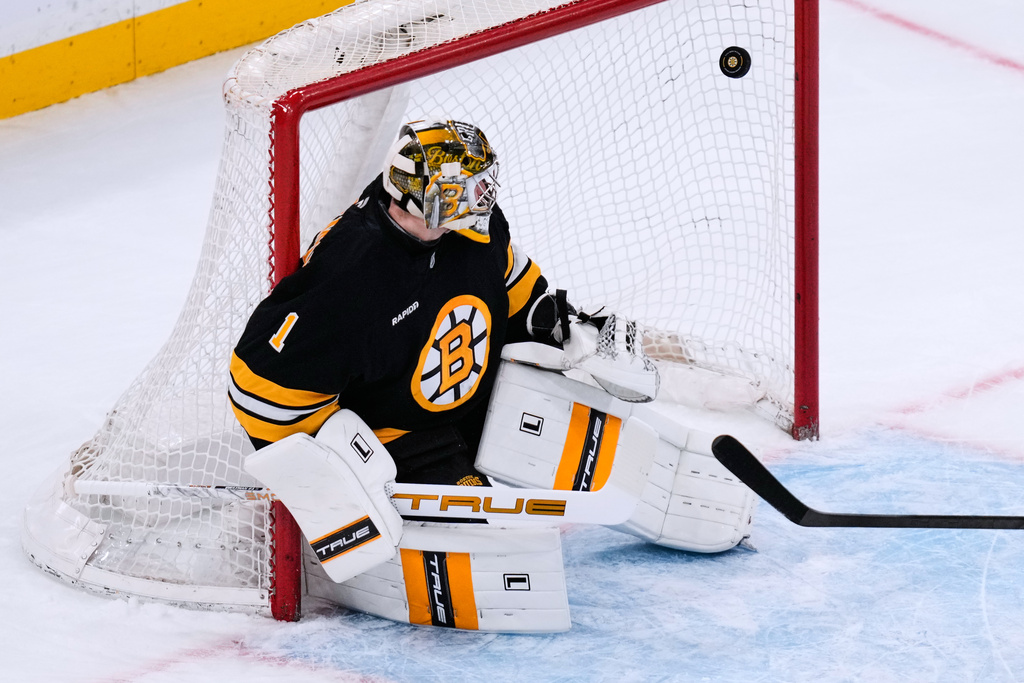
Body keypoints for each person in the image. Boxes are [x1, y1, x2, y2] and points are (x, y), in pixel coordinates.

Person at [228, 118, 564, 488]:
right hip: (398, 438)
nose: (486, 192)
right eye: (471, 183)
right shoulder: (351, 273)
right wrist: (331, 473)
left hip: (485, 401)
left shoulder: (473, 224)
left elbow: (514, 286)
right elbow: (258, 390)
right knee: (492, 536)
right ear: (436, 197)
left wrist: (553, 326)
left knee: (603, 456)